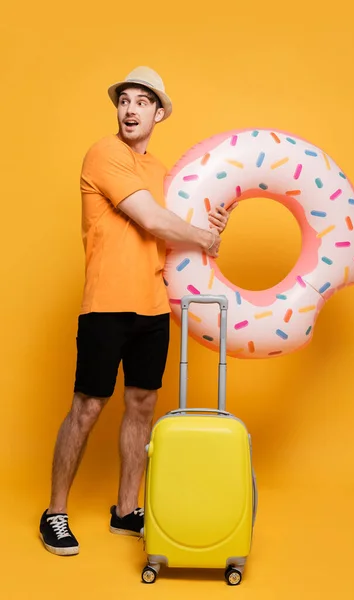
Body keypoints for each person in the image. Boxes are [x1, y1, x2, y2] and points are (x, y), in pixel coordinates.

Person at [39, 66, 234, 556]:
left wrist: (214, 223)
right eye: (123, 100)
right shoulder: (106, 154)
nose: (129, 109)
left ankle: (127, 510)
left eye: (141, 102)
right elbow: (150, 217)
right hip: (106, 303)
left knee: (143, 406)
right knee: (87, 407)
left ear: (158, 113)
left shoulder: (164, 172)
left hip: (153, 305)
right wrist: (200, 235)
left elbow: (176, 231)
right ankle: (54, 513)